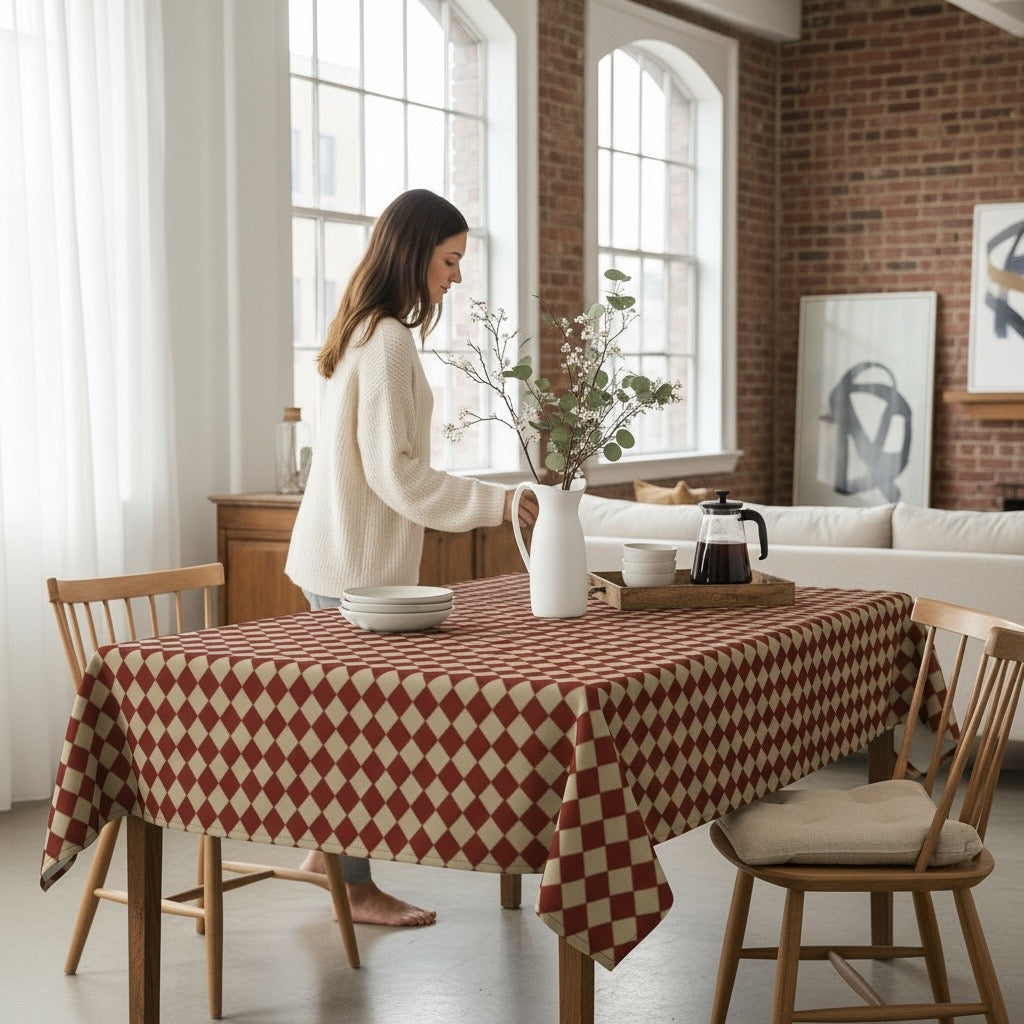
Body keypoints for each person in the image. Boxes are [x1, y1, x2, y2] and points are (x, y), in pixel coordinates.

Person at [285, 188, 538, 928]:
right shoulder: (390, 337)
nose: (456, 278)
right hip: (356, 571)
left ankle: (326, 856)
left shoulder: (358, 327)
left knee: (345, 726)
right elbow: (396, 473)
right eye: (450, 260)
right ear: (415, 251)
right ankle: (355, 885)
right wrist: (494, 502)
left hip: (330, 558)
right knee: (366, 730)